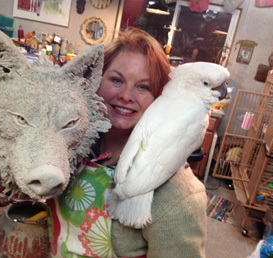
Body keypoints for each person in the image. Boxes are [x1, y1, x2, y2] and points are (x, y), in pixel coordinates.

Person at [49, 27, 207, 258]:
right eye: (116, 79)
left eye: (143, 87)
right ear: (95, 81)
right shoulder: (71, 147)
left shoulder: (178, 193)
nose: (125, 95)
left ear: (160, 97)